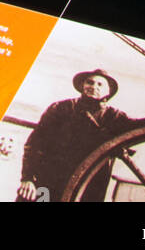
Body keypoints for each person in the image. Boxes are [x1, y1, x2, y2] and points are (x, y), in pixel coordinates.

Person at [16, 68, 134, 203]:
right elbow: (35, 144)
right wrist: (27, 178)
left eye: (100, 84)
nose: (94, 87)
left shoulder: (115, 117)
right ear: (82, 86)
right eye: (90, 82)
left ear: (108, 92)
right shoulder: (60, 108)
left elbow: (139, 132)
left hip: (88, 188)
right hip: (48, 181)